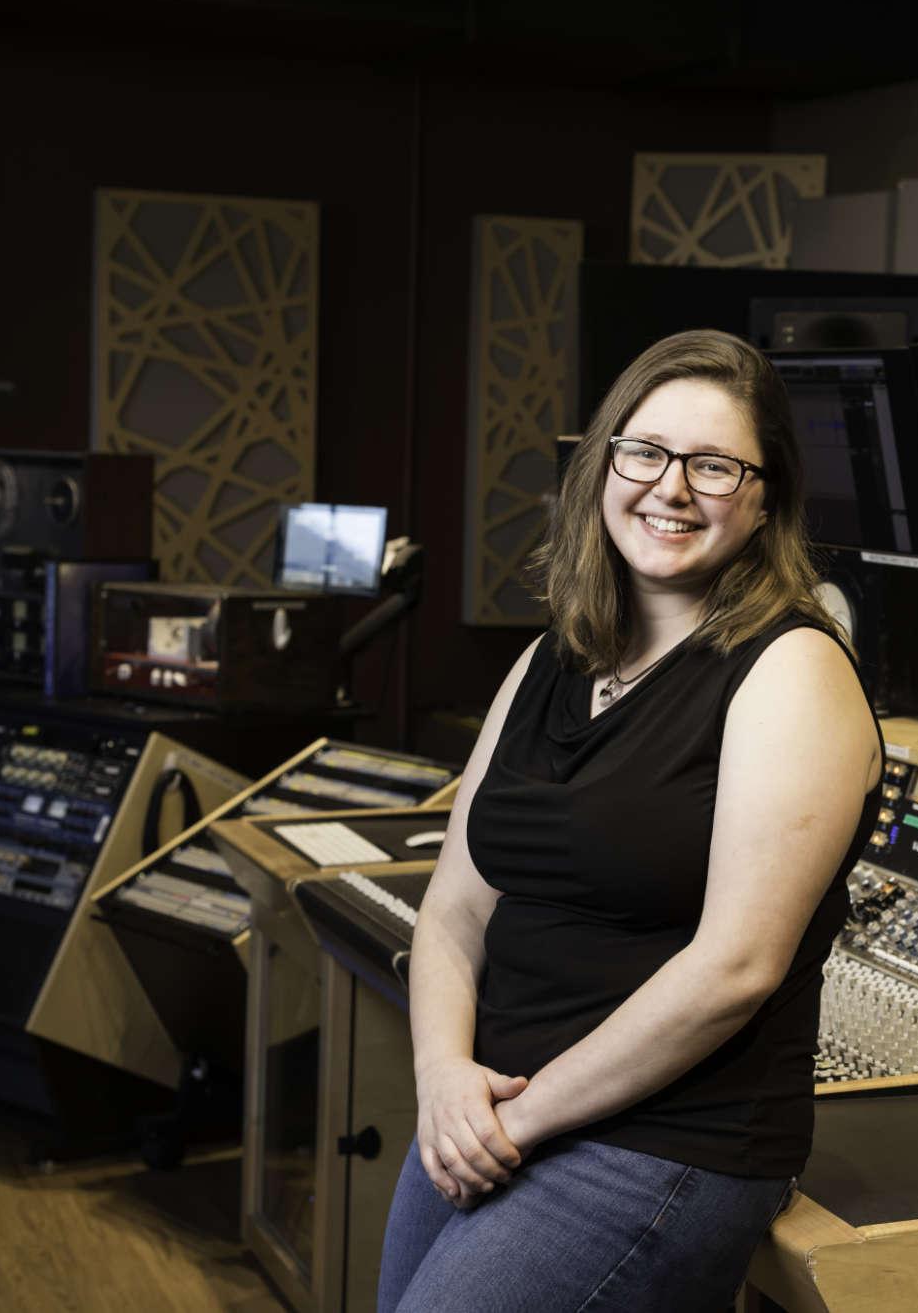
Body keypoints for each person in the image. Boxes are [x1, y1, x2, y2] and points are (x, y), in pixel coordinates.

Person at [378, 329, 882, 1312]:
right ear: (602, 464)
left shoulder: (792, 671)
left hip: (663, 1141)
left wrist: (514, 1125)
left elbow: (735, 967)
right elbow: (452, 909)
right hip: (491, 1105)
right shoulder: (547, 662)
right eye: (645, 452)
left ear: (766, 495)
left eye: (714, 465)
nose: (671, 488)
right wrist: (443, 1077)